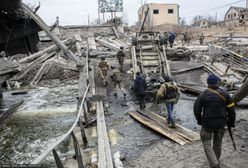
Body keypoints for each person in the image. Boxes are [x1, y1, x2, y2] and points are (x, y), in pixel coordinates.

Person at [194, 74, 236, 168]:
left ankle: (214, 164)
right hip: (221, 123)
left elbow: (196, 109)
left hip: (207, 124)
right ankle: (215, 160)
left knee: (206, 143)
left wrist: (199, 120)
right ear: (217, 82)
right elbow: (231, 110)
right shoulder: (225, 94)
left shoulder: (203, 95)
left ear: (207, 83)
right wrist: (232, 122)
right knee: (218, 142)